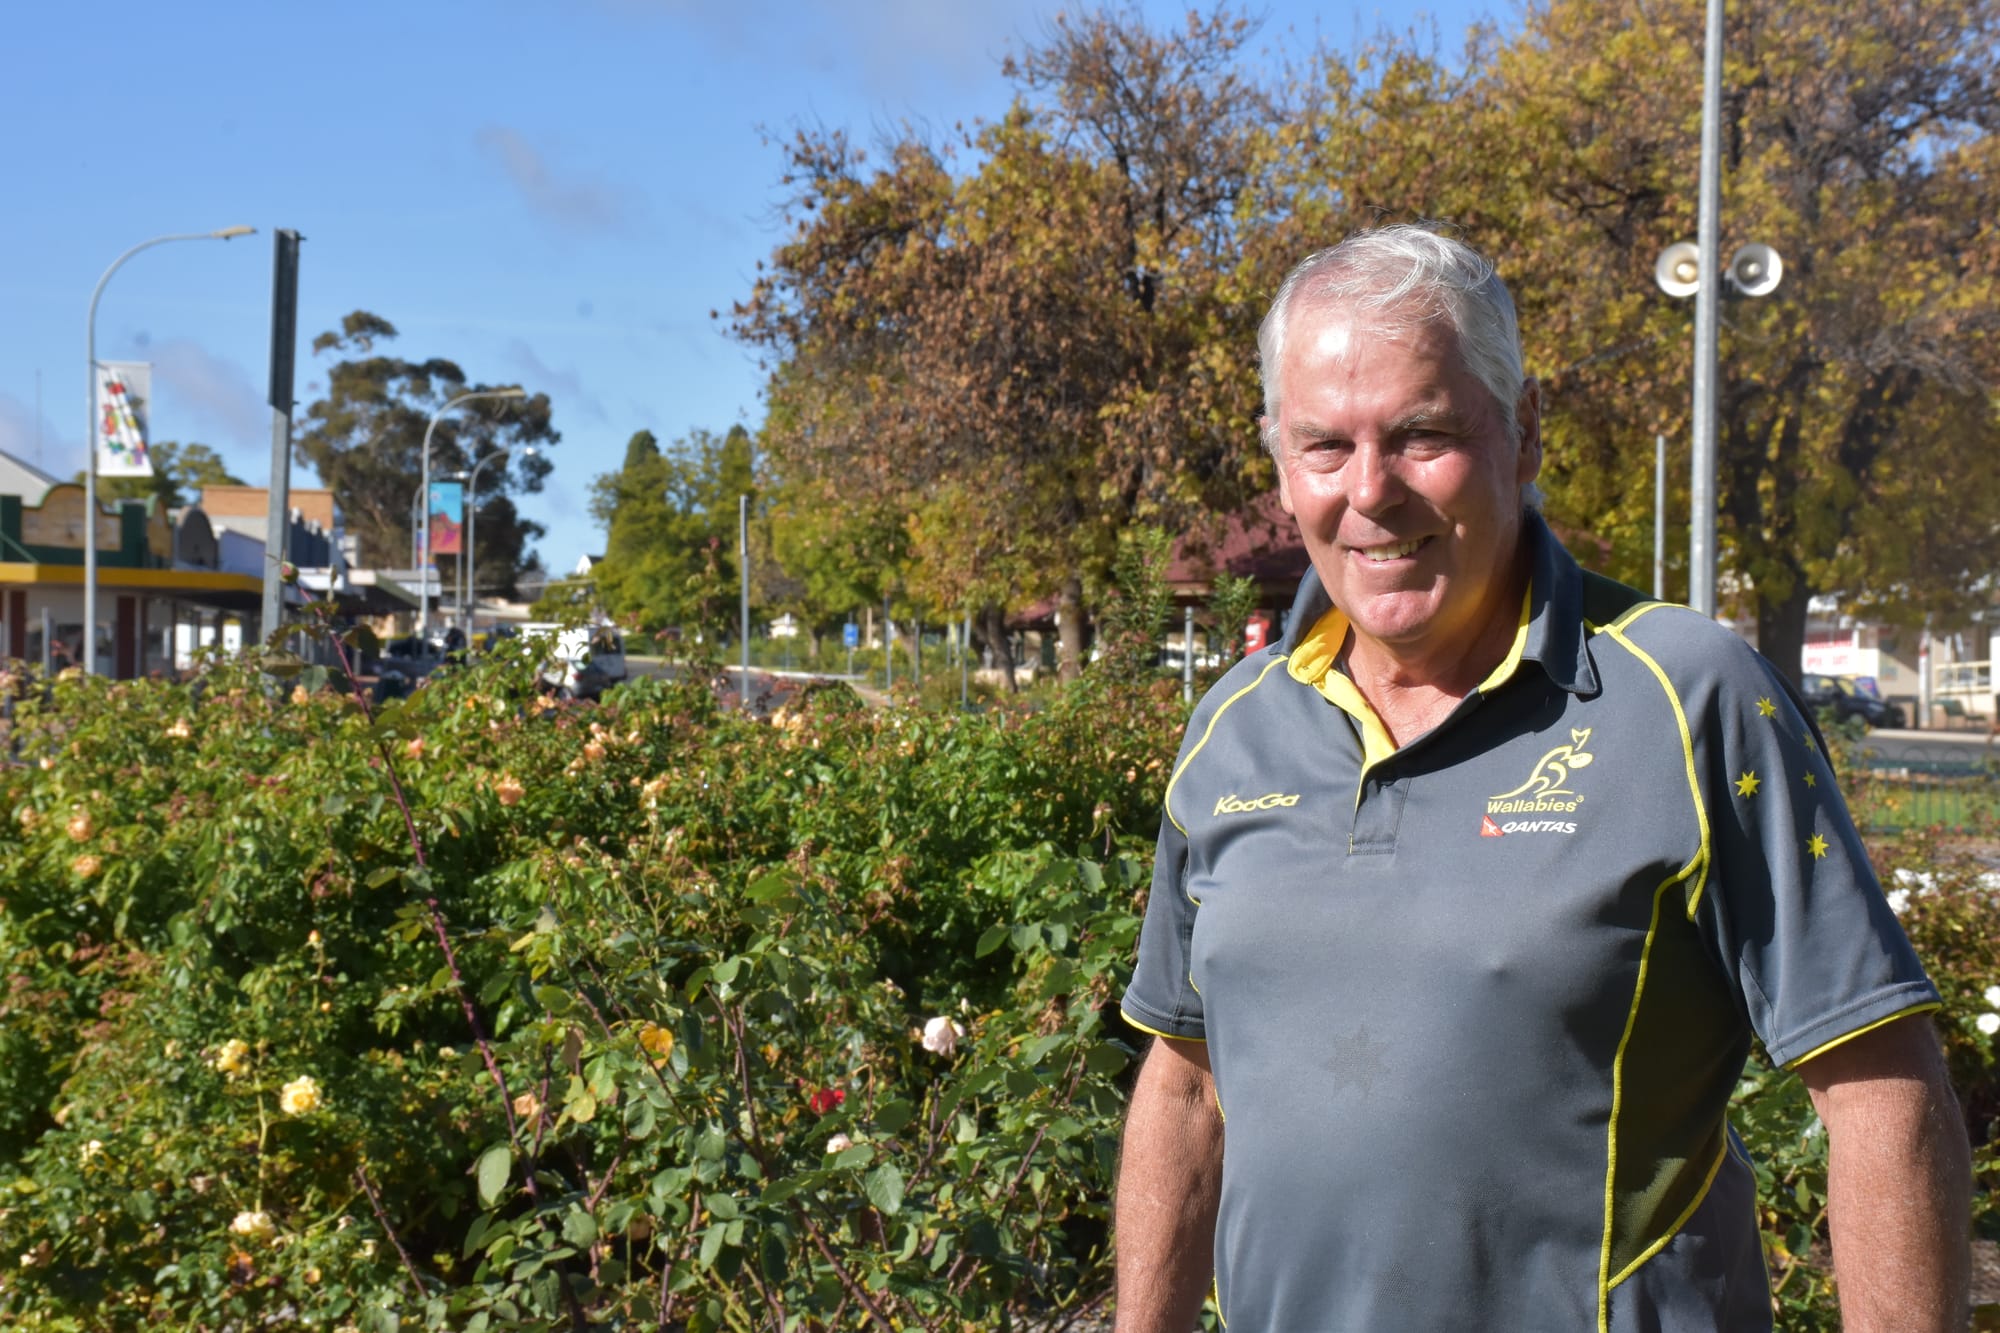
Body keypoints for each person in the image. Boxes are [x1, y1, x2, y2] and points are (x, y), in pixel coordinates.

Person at [1115, 225, 1970, 1332]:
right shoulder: (1232, 729)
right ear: (1280, 460)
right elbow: (1185, 1088)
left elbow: (1880, 1092)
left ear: (1520, 433)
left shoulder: (1688, 693)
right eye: (1324, 446)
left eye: (1421, 435)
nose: (1369, 492)